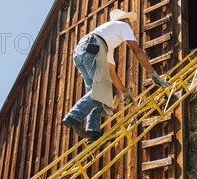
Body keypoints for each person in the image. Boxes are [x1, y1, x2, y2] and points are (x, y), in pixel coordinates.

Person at [62, 8, 169, 141]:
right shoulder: (123, 26)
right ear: (124, 20)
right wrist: (153, 74)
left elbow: (111, 72)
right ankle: (74, 116)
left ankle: (92, 130)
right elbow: (136, 50)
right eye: (129, 21)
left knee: (95, 91)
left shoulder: (107, 39)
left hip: (81, 52)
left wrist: (125, 92)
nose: (130, 24)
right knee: (101, 90)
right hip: (91, 48)